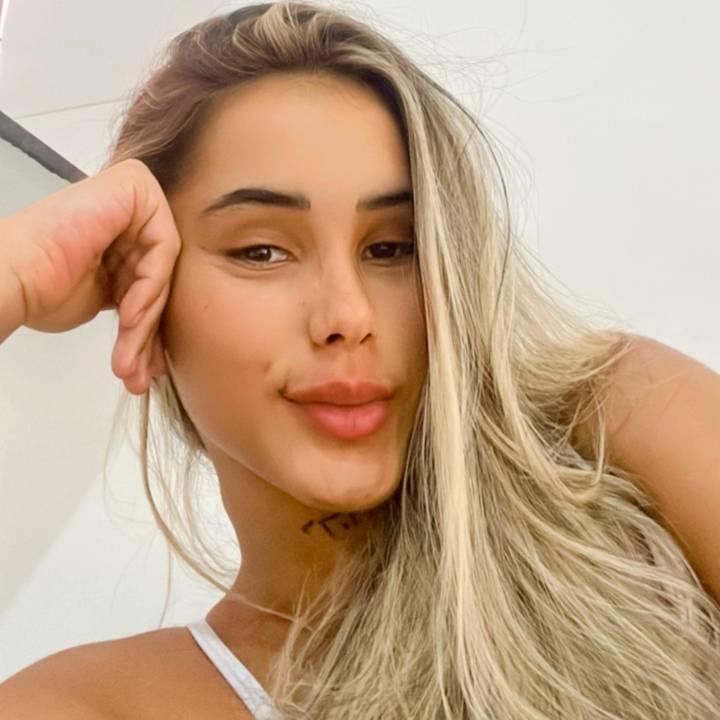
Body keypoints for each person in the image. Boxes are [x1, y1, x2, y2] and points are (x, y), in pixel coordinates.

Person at [1, 2, 719, 718]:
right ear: (144, 292)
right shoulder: (87, 704)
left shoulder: (626, 420)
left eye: (391, 248)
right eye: (261, 251)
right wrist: (14, 274)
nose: (348, 316)